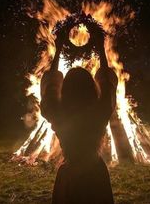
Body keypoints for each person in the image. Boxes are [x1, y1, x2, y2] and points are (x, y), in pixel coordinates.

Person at [40, 31, 118, 204]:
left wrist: (58, 48)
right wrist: (100, 46)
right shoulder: (99, 112)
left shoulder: (59, 113)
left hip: (70, 175)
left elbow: (51, 86)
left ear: (65, 90)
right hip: (95, 174)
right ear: (91, 89)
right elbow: (106, 79)